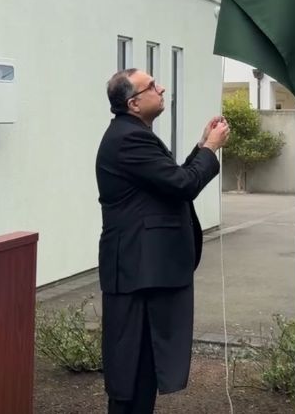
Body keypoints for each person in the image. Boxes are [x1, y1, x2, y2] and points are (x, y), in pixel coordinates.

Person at [96, 69, 229, 413]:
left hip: (143, 270)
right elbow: (183, 185)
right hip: (137, 271)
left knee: (143, 369)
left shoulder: (134, 134)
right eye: (152, 85)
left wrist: (202, 147)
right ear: (134, 103)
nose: (162, 88)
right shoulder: (129, 138)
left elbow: (171, 182)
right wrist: (211, 150)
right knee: (130, 372)